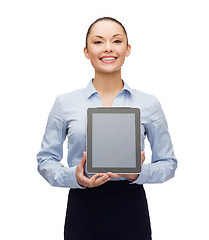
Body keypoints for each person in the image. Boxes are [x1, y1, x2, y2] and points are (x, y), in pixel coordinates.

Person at [36, 17, 177, 240]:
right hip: (83, 207)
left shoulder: (148, 104)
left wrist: (138, 173)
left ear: (128, 49)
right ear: (86, 51)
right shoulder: (65, 103)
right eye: (98, 42)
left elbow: (168, 164)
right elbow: (45, 160)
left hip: (131, 209)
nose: (108, 48)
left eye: (117, 41)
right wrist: (74, 176)